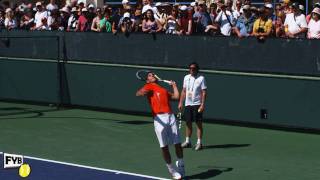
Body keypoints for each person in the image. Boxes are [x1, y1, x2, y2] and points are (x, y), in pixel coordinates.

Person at [136, 71, 185, 179]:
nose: (153, 75)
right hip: (159, 119)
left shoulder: (163, 90)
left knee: (177, 143)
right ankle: (171, 170)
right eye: (150, 75)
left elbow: (176, 97)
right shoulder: (148, 86)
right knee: (164, 147)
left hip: (171, 117)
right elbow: (138, 93)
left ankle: (181, 164)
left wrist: (174, 86)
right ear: (147, 79)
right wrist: (143, 91)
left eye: (153, 74)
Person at [178, 62, 207, 151]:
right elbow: (184, 91)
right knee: (188, 123)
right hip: (188, 104)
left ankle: (199, 143)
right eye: (190, 68)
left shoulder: (201, 78)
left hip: (197, 104)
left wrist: (202, 105)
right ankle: (187, 141)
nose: (191, 70)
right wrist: (180, 103)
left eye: (193, 68)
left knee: (198, 124)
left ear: (197, 69)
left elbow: (204, 92)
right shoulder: (186, 78)